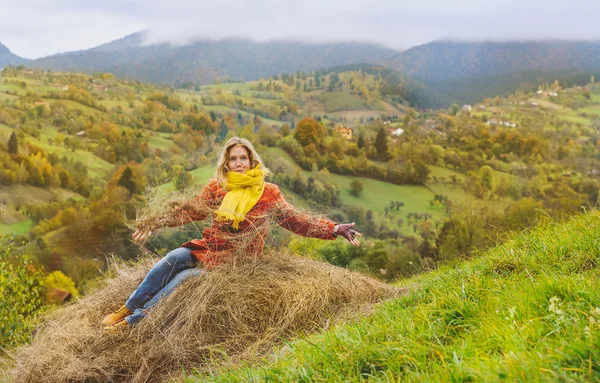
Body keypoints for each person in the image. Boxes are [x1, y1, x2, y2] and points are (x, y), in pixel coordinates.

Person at [102, 137, 361, 331]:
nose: (238, 163)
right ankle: (127, 307)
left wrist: (334, 228)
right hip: (210, 248)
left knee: (186, 278)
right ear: (226, 163)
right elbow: (190, 211)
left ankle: (132, 323)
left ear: (252, 161)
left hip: (237, 260)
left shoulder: (268, 192)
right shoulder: (217, 187)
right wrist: (154, 222)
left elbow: (295, 220)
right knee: (173, 258)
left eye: (242, 158)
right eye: (233, 159)